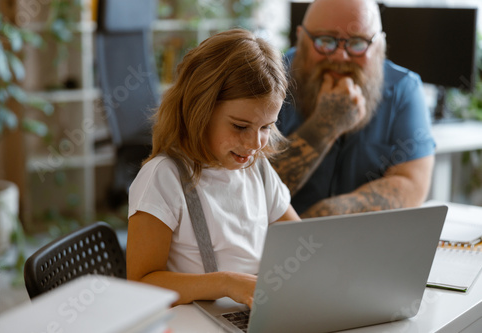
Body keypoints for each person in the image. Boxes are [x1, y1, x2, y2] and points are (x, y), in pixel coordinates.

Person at [126, 28, 300, 309]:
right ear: (200, 110)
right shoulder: (164, 178)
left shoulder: (258, 170)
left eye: (266, 127)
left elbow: (300, 241)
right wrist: (227, 282)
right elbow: (141, 283)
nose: (255, 143)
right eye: (240, 126)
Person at [271, 0, 435, 217]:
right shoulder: (272, 81)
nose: (340, 56)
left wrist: (328, 213)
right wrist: (324, 126)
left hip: (363, 241)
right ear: (301, 38)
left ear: (380, 44)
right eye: (324, 41)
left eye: (357, 43)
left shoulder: (404, 89)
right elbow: (252, 190)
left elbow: (412, 183)